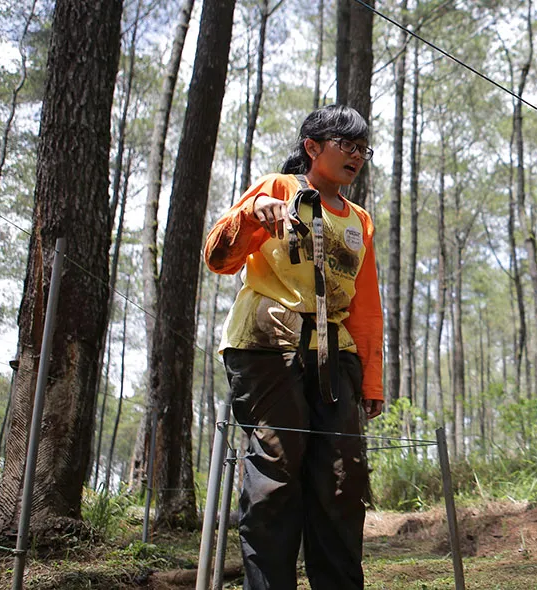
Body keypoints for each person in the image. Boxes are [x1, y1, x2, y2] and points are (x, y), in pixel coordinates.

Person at [203, 104, 384, 589]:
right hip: (267, 348)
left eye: (362, 148)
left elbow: (366, 306)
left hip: (337, 356)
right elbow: (218, 258)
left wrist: (371, 378)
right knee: (277, 475)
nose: (356, 156)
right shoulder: (278, 189)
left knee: (343, 481)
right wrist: (252, 217)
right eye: (345, 145)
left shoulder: (361, 221)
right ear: (312, 147)